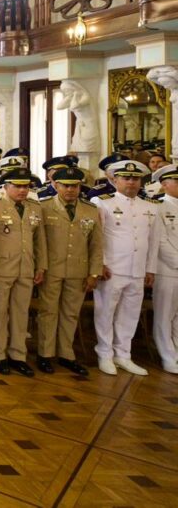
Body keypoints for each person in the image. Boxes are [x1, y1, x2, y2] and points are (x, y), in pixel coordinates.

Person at [92, 160, 161, 376]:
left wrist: (150, 269)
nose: (131, 182)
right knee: (106, 312)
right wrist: (100, 263)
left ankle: (124, 354)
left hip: (138, 269)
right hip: (112, 268)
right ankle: (105, 354)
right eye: (126, 178)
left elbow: (154, 241)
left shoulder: (150, 206)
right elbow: (98, 238)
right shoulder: (102, 202)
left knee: (129, 314)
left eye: (135, 178)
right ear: (114, 180)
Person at [35, 166, 102, 375]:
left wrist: (94, 273)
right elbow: (39, 242)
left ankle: (66, 354)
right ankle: (45, 354)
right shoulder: (44, 207)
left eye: (75, 186)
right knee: (48, 312)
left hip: (78, 269)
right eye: (65, 185)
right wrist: (41, 267)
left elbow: (97, 244)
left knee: (71, 313)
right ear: (55, 185)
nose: (71, 190)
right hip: (52, 268)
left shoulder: (90, 209)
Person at [0, 168, 47, 376]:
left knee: (21, 313)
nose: (22, 190)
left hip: (25, 267)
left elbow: (40, 241)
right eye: (17, 186)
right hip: (0, 268)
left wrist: (41, 266)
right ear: (6, 186)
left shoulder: (34, 208)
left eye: (25, 186)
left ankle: (18, 354)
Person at [151, 164, 178, 373]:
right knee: (164, 315)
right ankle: (168, 356)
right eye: (176, 181)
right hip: (168, 269)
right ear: (164, 184)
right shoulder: (158, 207)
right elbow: (160, 241)